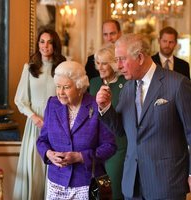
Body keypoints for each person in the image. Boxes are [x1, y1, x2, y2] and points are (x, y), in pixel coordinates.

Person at [96, 33, 191, 199]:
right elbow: (120, 130)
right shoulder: (126, 88)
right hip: (132, 185)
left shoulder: (178, 84)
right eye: (116, 60)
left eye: (122, 59)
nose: (118, 66)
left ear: (140, 57)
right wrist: (105, 108)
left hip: (167, 184)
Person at [36, 61, 117, 200]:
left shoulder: (96, 106)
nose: (60, 92)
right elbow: (42, 140)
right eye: (58, 87)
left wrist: (80, 157)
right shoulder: (52, 104)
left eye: (66, 87)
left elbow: (110, 146)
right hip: (56, 182)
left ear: (79, 87)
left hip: (86, 183)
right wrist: (49, 154)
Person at [13, 27, 66, 200]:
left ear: (55, 45)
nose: (45, 46)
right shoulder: (29, 68)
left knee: (53, 169)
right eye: (42, 41)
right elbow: (20, 99)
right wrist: (34, 117)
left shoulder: (62, 68)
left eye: (50, 42)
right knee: (34, 169)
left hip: (57, 126)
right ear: (38, 44)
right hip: (34, 125)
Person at [89, 43, 127, 200]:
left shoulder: (126, 83)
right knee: (98, 191)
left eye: (104, 63)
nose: (100, 67)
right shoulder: (94, 83)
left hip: (118, 145)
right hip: (96, 147)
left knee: (114, 192)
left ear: (113, 63)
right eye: (98, 63)